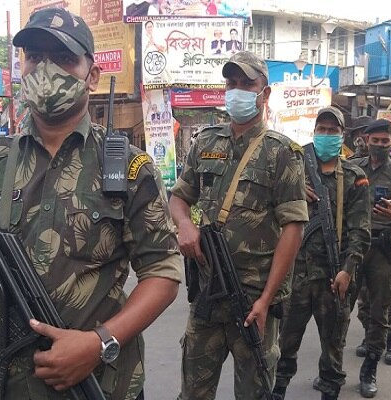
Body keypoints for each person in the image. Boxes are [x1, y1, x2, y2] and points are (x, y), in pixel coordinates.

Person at [0, 9, 183, 400]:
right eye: (35, 56)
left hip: (100, 384)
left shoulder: (129, 168)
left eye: (63, 58)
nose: (47, 69)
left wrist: (100, 343)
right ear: (21, 67)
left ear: (91, 75)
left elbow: (162, 270)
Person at [170, 51, 308, 399]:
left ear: (265, 93)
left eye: (247, 84)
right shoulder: (205, 142)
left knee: (255, 392)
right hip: (207, 294)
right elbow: (178, 198)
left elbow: (293, 229)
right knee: (192, 392)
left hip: (253, 303)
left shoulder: (283, 153)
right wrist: (184, 224)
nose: (238, 91)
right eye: (232, 83)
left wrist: (266, 300)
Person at [273, 106, 371, 400]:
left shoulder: (354, 176)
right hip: (295, 275)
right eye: (322, 129)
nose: (326, 135)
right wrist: (293, 190)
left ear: (342, 136)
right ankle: (277, 390)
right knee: (285, 341)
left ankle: (329, 391)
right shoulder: (294, 164)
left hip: (333, 276)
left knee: (333, 344)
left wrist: (347, 269)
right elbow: (267, 202)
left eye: (333, 131)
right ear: (314, 132)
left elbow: (360, 230)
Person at [351, 119, 391, 398]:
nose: (380, 145)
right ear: (366, 140)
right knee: (340, 309)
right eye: (375, 140)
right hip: (353, 246)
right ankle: (330, 368)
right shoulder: (352, 168)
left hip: (382, 249)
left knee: (381, 309)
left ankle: (369, 369)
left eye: (385, 141)